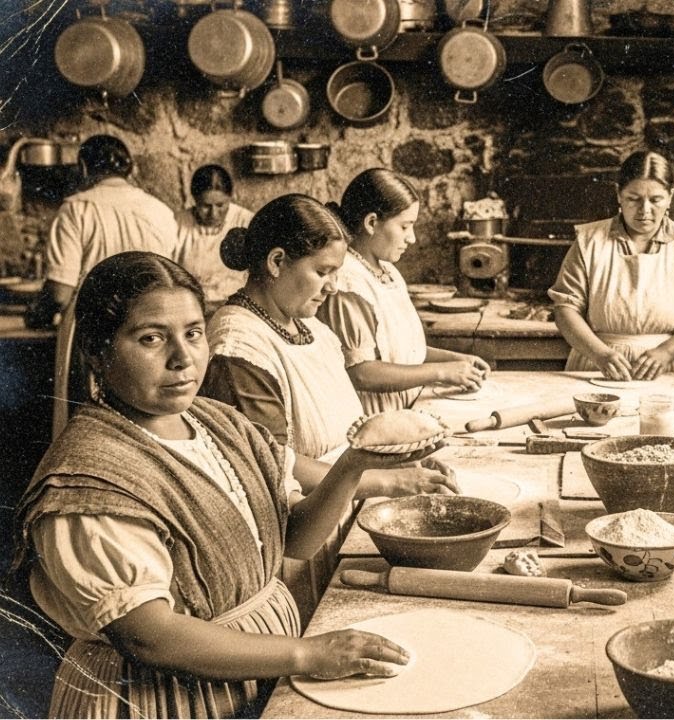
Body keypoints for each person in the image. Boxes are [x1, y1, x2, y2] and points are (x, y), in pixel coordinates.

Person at [14, 252, 419, 718]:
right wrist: (308, 654)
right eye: (151, 338)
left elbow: (297, 541)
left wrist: (353, 466)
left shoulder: (221, 425)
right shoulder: (91, 477)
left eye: (193, 333)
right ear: (98, 351)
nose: (182, 358)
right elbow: (149, 636)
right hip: (157, 698)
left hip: (249, 675)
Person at [202, 194, 455, 498]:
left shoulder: (312, 328)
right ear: (277, 262)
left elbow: (346, 439)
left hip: (348, 499)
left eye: (336, 272)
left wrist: (396, 461)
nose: (333, 286)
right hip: (306, 522)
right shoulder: (239, 350)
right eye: (322, 272)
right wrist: (391, 481)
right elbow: (272, 465)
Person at [317, 168, 489, 414]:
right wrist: (442, 372)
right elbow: (361, 372)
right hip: (372, 420)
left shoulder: (387, 271)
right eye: (405, 226)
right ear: (372, 223)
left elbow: (402, 354)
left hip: (407, 407)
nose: (412, 239)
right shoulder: (348, 283)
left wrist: (455, 360)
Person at [548, 150, 674, 380]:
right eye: (634, 199)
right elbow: (565, 309)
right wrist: (600, 354)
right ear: (618, 195)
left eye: (655, 200)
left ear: (670, 196)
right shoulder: (589, 241)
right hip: (599, 364)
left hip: (673, 364)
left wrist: (666, 352)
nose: (645, 210)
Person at [26, 134, 178, 328]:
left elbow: (59, 294)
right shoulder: (161, 210)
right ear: (129, 168)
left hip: (94, 327)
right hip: (152, 325)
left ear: (83, 167)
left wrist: (37, 317)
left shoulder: (76, 209)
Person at [174, 164, 254, 307]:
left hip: (238, 306)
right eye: (205, 206)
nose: (213, 213)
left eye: (220, 205)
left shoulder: (246, 221)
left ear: (230, 197)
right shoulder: (178, 224)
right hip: (193, 306)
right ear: (194, 200)